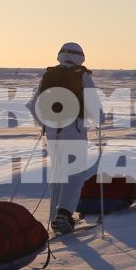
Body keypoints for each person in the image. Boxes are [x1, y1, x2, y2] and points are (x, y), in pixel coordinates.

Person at [37, 41, 97, 233]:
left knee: (57, 173)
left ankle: (55, 216)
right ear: (80, 56)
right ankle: (64, 214)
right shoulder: (82, 76)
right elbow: (94, 107)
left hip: (53, 133)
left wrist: (46, 124)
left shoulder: (49, 75)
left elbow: (34, 105)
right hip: (75, 132)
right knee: (74, 173)